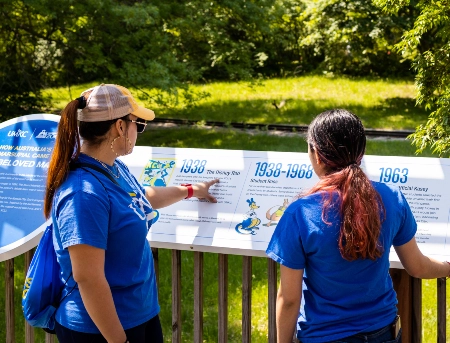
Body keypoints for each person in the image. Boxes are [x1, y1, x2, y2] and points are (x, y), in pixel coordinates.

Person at [43, 84, 219, 343]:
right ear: (120, 127)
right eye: (138, 123)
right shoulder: (83, 193)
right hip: (102, 329)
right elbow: (88, 278)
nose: (139, 130)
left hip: (138, 315)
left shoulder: (113, 168)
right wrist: (119, 340)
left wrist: (192, 190)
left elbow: (141, 198)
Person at [266, 109, 450, 343]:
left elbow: (289, 298)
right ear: (361, 153)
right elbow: (418, 267)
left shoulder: (299, 213)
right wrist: (448, 267)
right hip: (383, 333)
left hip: (324, 336)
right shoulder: (391, 198)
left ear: (317, 155)